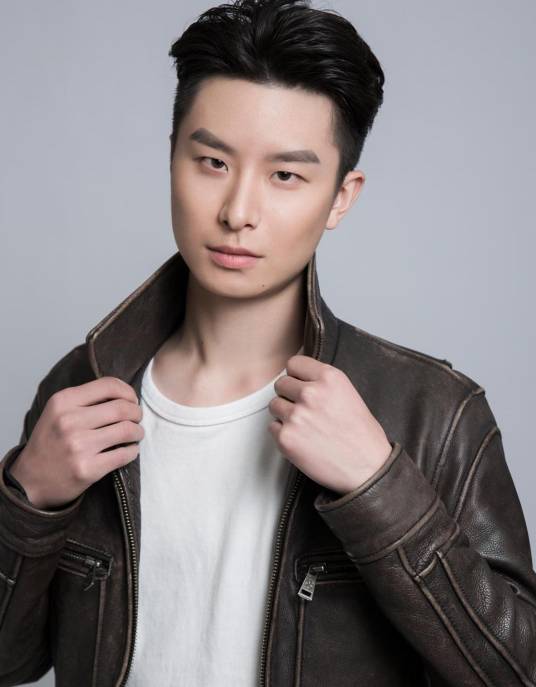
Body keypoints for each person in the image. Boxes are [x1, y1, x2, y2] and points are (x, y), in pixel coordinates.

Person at [1, 0, 535, 685]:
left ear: (341, 197)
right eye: (212, 162)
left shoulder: (434, 414)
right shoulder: (81, 387)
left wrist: (381, 490)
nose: (238, 212)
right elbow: (11, 661)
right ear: (172, 157)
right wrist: (27, 500)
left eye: (286, 175)